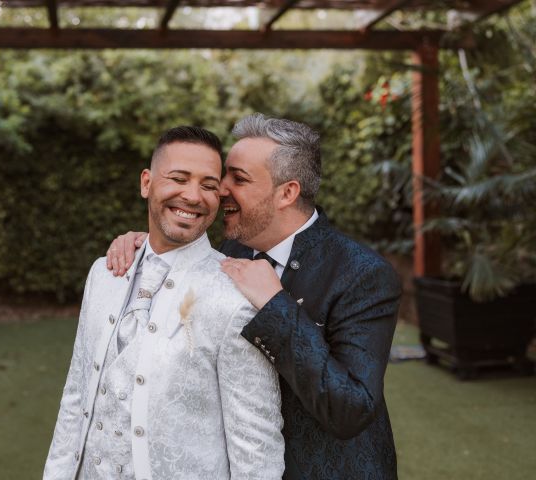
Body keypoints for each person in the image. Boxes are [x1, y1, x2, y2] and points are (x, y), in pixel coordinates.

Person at [106, 114, 402, 479]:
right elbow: (180, 238)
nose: (221, 188)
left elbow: (351, 409)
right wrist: (143, 245)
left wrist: (276, 306)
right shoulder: (231, 249)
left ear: (287, 193)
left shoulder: (362, 274)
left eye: (238, 178)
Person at [44, 126, 284, 480]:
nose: (193, 195)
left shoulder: (235, 296)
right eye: (178, 178)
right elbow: (76, 396)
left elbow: (256, 447)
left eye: (208, 185)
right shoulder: (104, 274)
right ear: (146, 183)